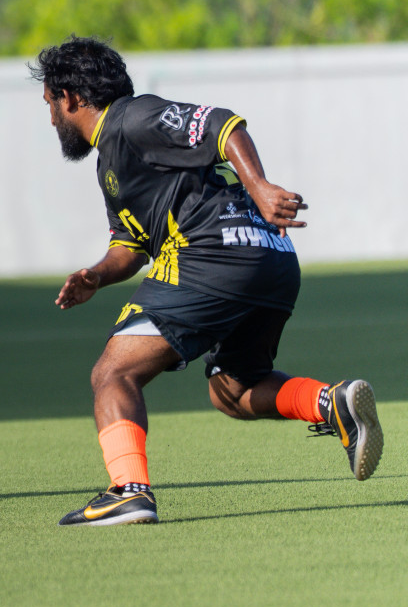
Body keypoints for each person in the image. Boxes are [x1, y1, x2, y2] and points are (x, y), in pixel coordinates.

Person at [32, 36, 381, 527]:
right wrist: (97, 274)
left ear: (68, 97)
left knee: (113, 373)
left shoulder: (131, 118)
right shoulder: (112, 157)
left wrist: (259, 187)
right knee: (234, 391)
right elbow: (130, 246)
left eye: (48, 104)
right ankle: (331, 401)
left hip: (212, 257)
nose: (50, 118)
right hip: (272, 259)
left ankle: (128, 490)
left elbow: (222, 123)